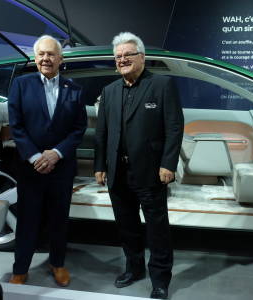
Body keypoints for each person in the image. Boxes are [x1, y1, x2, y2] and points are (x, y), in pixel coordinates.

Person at [94, 32, 184, 299]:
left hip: (151, 171)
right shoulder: (109, 91)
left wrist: (168, 163)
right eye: (118, 57)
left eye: (128, 55)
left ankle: (160, 279)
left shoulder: (162, 85)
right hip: (117, 173)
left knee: (157, 229)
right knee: (126, 225)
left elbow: (174, 127)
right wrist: (100, 165)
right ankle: (133, 268)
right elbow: (102, 132)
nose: (122, 60)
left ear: (142, 57)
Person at [8, 35, 87, 286]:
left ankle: (57, 263)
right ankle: (20, 268)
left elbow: (79, 128)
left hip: (61, 168)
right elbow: (16, 126)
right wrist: (34, 156)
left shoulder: (74, 89)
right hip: (31, 169)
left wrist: (56, 153)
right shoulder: (21, 85)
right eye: (41, 54)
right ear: (35, 57)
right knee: (27, 220)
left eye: (51, 54)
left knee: (59, 220)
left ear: (60, 59)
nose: (46, 58)